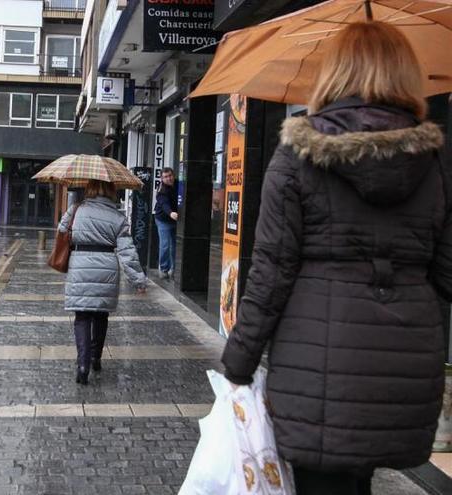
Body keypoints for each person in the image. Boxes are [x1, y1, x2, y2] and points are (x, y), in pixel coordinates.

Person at [220, 22, 449, 495]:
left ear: (334, 73)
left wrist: (239, 362)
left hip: (316, 358)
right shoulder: (437, 163)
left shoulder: (298, 155)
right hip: (406, 357)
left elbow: (271, 272)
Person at [59, 179, 148, 385]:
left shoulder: (76, 209)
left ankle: (82, 365)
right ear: (111, 191)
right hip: (106, 267)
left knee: (82, 317)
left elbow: (61, 230)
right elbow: (127, 251)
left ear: (89, 189)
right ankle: (95, 357)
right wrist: (138, 280)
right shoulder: (117, 217)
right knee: (100, 315)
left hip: (79, 265)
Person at [154, 168, 178, 279]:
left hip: (176, 219)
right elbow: (164, 204)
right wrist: (170, 213)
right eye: (165, 177)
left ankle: (174, 269)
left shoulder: (179, 184)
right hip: (163, 219)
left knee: (175, 245)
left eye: (170, 175)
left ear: (173, 175)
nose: (168, 178)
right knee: (165, 245)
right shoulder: (161, 190)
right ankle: (164, 269)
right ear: (162, 179)